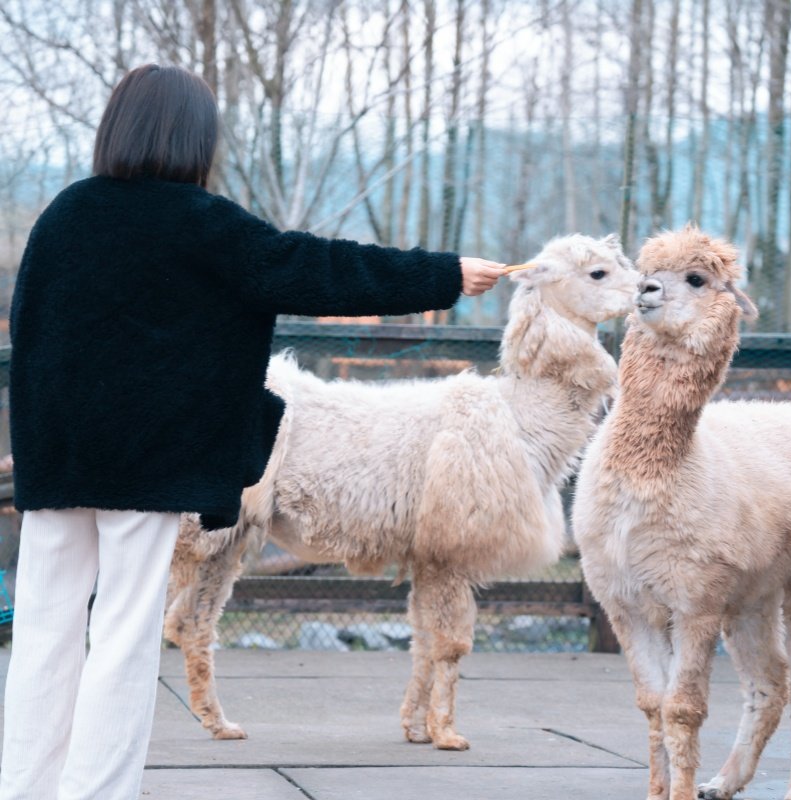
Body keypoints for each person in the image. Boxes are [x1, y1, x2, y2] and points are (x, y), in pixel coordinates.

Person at [0, 64, 504, 800]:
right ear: (192, 139)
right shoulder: (204, 224)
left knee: (44, 633)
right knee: (121, 640)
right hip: (147, 472)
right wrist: (446, 275)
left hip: (59, 464)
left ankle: (23, 788)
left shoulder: (65, 215)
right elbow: (322, 270)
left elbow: (33, 339)